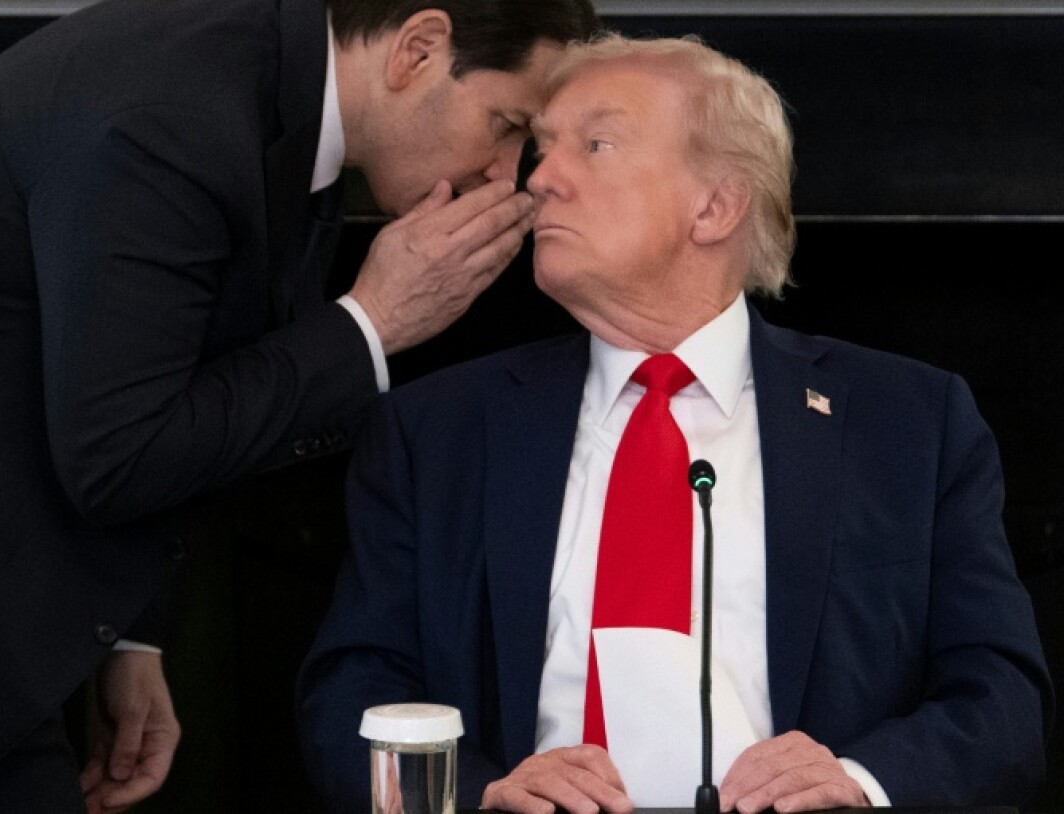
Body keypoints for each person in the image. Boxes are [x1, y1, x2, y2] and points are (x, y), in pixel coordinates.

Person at [0, 0, 600, 809]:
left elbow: (179, 370)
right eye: (507, 125)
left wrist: (133, 635)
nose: (505, 173)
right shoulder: (171, 117)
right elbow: (120, 451)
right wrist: (370, 322)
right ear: (417, 48)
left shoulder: (262, 80)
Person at [295, 33, 1054, 814]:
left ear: (716, 204)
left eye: (596, 145)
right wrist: (480, 793)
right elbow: (349, 698)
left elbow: (1002, 703)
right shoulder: (436, 429)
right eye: (544, 149)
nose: (542, 178)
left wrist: (859, 783)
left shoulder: (909, 424)